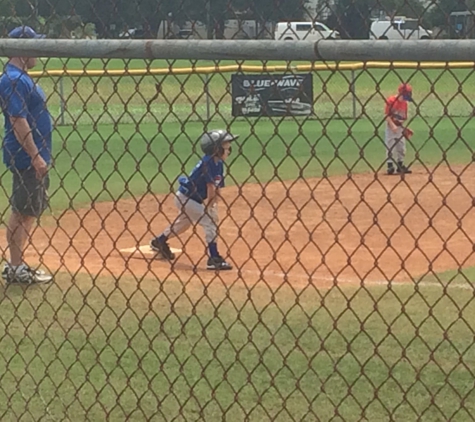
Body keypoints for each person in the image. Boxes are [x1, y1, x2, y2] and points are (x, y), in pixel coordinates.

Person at [0, 26, 53, 284]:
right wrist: (35, 155)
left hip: (32, 154)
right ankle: (15, 267)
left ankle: (16, 265)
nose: (37, 52)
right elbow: (18, 120)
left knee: (29, 209)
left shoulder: (21, 77)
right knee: (22, 210)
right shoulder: (13, 79)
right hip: (25, 155)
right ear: (21, 49)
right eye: (33, 45)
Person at [150, 129, 237, 271]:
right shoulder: (208, 163)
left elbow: (217, 188)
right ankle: (213, 258)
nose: (229, 151)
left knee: (183, 224)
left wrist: (212, 204)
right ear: (216, 149)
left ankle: (159, 241)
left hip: (192, 200)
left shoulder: (218, 164)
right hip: (186, 198)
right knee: (209, 221)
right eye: (226, 148)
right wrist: (208, 207)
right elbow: (210, 189)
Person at [385, 82, 413, 175]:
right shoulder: (391, 101)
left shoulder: (405, 104)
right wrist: (392, 125)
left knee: (402, 148)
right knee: (390, 146)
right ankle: (390, 166)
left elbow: (403, 118)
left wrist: (404, 128)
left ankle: (400, 166)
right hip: (390, 128)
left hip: (399, 128)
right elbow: (387, 116)